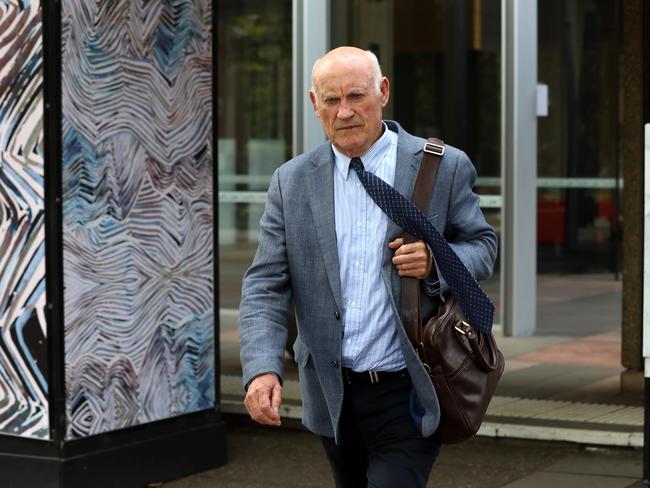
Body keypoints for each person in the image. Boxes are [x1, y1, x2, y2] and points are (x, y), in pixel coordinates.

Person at [238, 46, 497, 487]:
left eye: (356, 96)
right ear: (314, 103)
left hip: (410, 388)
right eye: (332, 100)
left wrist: (436, 262)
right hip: (332, 394)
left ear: (383, 92)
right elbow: (265, 284)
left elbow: (484, 246)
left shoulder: (441, 166)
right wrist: (262, 368)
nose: (344, 113)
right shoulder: (292, 180)